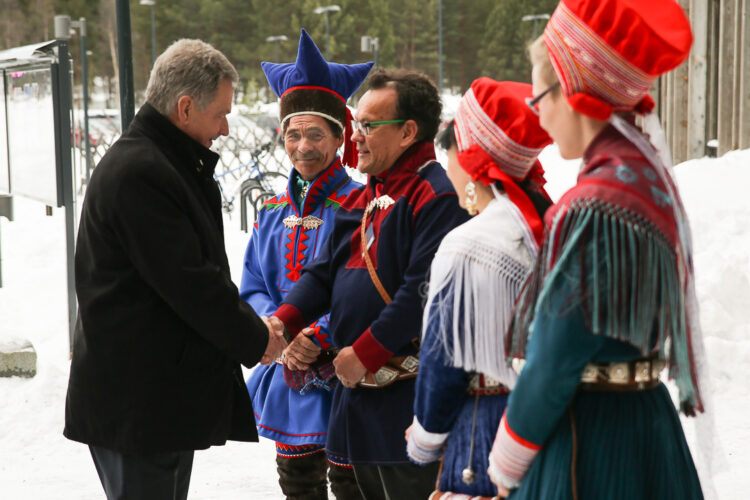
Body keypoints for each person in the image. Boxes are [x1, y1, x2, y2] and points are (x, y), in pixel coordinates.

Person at [487, 1, 705, 498]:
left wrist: (506, 462)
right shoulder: (647, 181)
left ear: (572, 94)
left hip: (591, 441)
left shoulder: (595, 206)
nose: (536, 111)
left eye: (540, 95)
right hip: (648, 422)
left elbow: (555, 354)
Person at [64, 39, 285, 500]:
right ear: (185, 108)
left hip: (151, 400)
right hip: (138, 405)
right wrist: (257, 338)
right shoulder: (142, 172)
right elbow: (191, 283)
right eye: (219, 114)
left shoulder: (161, 161)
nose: (225, 128)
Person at [270, 69, 470, 498]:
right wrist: (282, 323)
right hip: (359, 403)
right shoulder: (362, 198)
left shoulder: (437, 196)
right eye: (355, 124)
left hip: (408, 404)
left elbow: (422, 292)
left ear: (407, 132)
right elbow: (321, 274)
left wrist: (363, 353)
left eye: (367, 126)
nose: (354, 137)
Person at [406, 79, 553, 498]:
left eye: (449, 151)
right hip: (551, 426)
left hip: (484, 429)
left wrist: (425, 436)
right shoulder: (555, 223)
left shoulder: (469, 244)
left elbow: (442, 358)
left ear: (470, 161)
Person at [242, 29, 370, 499]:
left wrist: (318, 335)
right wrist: (277, 330)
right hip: (289, 372)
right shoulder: (272, 211)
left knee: (353, 484)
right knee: (298, 485)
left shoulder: (360, 204)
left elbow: (368, 287)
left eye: (315, 134)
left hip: (347, 368)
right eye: (293, 134)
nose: (303, 147)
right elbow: (253, 283)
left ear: (340, 136)